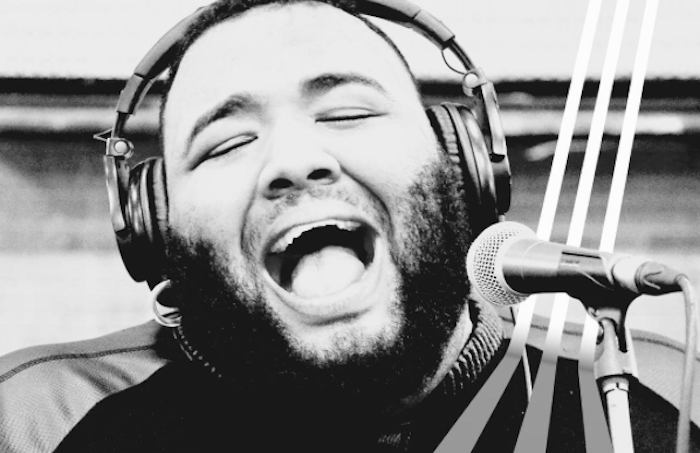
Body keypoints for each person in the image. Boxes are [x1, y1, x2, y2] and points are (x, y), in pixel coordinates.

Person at [0, 1, 697, 452]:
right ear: (159, 233)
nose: (294, 161)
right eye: (226, 144)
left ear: (460, 170)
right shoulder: (58, 427)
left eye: (349, 113)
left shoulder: (637, 420)